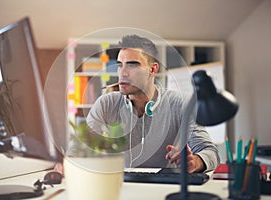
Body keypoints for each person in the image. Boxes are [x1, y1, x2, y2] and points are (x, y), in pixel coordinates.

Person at [55, 34, 220, 174]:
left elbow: (210, 152)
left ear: (153, 70)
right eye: (120, 65)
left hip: (162, 191)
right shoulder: (107, 103)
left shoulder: (179, 104)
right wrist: (68, 165)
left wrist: (195, 162)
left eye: (132, 64)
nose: (123, 72)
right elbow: (78, 150)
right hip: (120, 189)